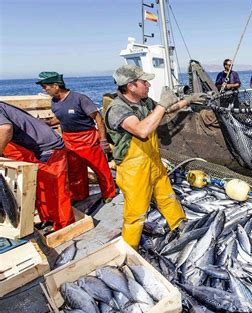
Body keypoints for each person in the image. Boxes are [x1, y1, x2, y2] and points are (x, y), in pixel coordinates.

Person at [105, 64, 206, 249]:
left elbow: (166, 110)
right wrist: (161, 104)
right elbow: (142, 130)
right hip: (133, 168)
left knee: (167, 195)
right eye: (144, 82)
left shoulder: (143, 102)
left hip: (152, 161)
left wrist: (189, 100)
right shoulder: (117, 109)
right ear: (130, 86)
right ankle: (130, 249)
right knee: (136, 213)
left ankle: (179, 224)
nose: (148, 85)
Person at [36, 71, 116, 203]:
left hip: (88, 139)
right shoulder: (55, 102)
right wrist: (49, 123)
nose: (44, 89)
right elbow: (60, 117)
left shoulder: (79, 99)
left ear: (56, 85)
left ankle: (109, 193)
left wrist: (103, 140)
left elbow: (98, 118)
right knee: (75, 171)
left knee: (100, 169)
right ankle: (80, 195)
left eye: (45, 86)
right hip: (69, 141)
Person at [0, 102, 75, 231]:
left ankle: (64, 227)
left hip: (48, 148)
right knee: (41, 189)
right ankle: (49, 221)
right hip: (36, 148)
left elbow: (6, 129)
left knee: (56, 191)